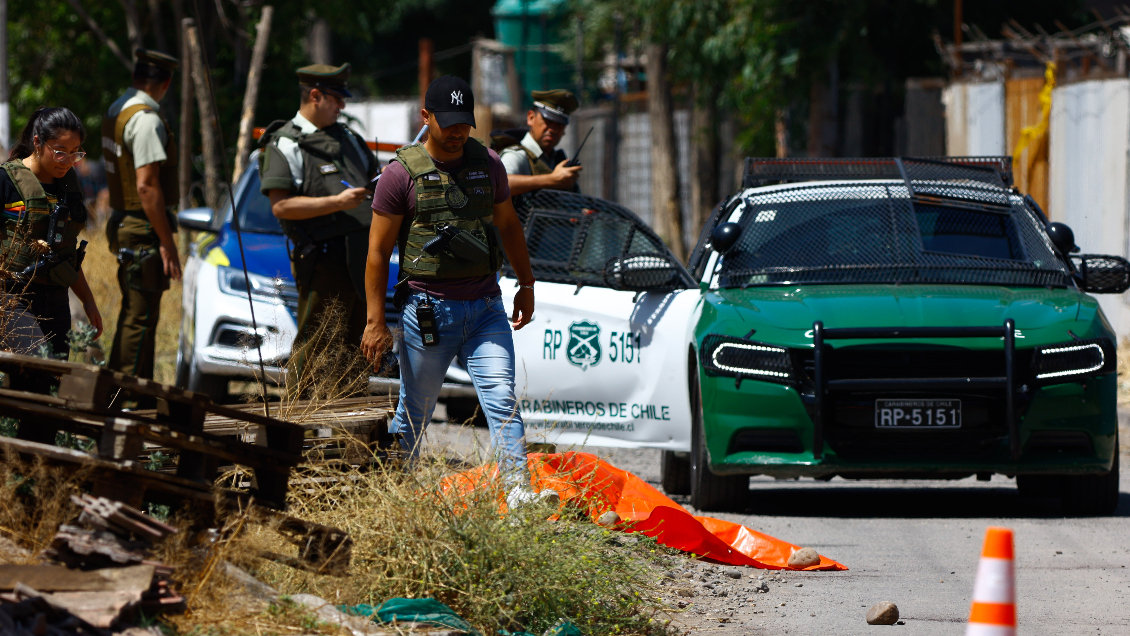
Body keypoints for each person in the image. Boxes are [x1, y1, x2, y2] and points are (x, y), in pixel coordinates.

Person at [361, 76, 541, 503]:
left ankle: (518, 498)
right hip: (428, 312)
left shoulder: (489, 164)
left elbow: (509, 225)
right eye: (449, 123)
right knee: (415, 412)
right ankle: (398, 496)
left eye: (465, 122)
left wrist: (526, 284)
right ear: (426, 118)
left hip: (485, 309)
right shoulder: (399, 176)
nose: (458, 132)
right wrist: (374, 321)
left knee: (503, 402)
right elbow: (375, 253)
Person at [258, 63, 377, 395]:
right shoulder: (287, 143)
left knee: (357, 351)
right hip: (324, 261)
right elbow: (281, 206)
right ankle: (298, 429)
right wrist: (337, 203)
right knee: (315, 344)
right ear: (315, 95)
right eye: (336, 99)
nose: (342, 106)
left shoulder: (349, 139)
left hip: (363, 261)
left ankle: (349, 438)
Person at [102, 48, 181, 380]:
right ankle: (127, 397)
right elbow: (147, 187)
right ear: (166, 83)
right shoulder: (147, 120)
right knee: (141, 316)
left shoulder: (117, 109)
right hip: (141, 225)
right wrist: (167, 242)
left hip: (122, 219)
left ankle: (126, 391)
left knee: (134, 313)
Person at [0, 107, 101, 357]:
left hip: (56, 302)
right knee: (37, 363)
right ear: (37, 142)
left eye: (74, 153)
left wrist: (89, 302)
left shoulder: (68, 188)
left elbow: (65, 255)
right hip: (13, 298)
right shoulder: (6, 181)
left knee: (52, 382)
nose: (67, 161)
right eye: (59, 152)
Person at [498, 89, 582, 196]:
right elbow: (499, 185)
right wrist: (552, 179)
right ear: (531, 118)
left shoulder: (556, 161)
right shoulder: (516, 156)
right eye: (548, 121)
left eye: (559, 124)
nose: (553, 129)